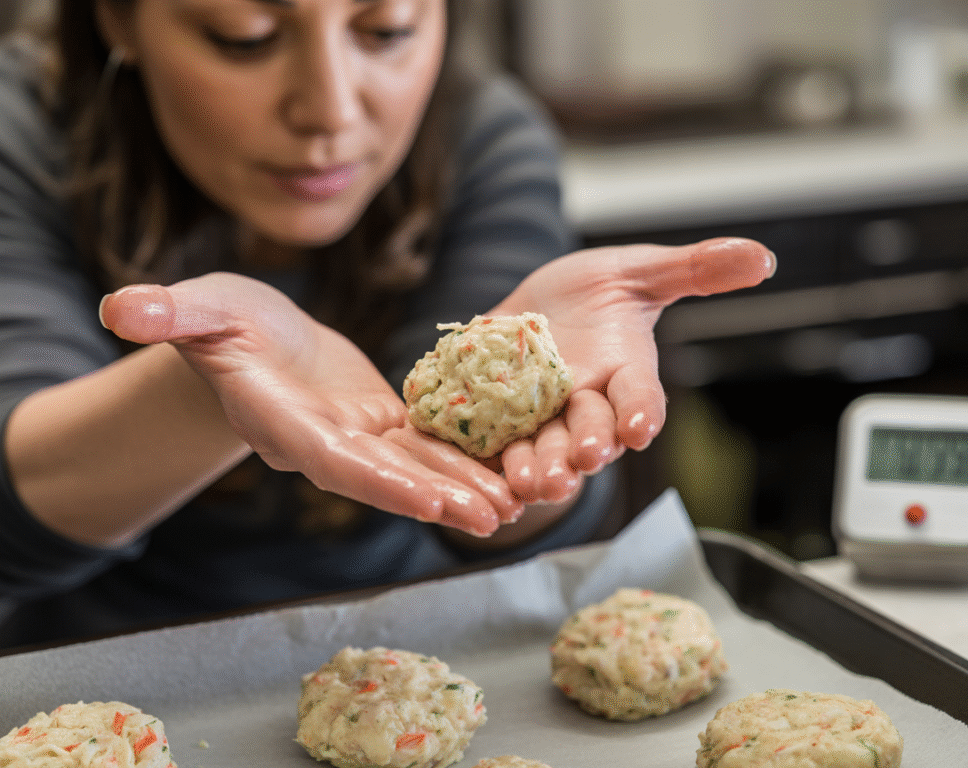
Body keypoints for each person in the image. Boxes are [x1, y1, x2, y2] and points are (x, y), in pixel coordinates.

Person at [0, 0, 775, 648]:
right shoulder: (23, 134)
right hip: (84, 675)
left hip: (414, 655)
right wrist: (209, 383)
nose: (330, 108)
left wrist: (531, 434)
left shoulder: (484, 139)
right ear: (118, 20)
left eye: (387, 31)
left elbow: (502, 524)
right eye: (248, 38)